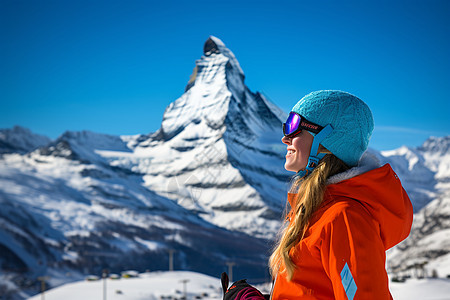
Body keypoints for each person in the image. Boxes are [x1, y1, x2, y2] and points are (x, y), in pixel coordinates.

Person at [222, 90, 413, 300]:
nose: (286, 137)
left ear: (326, 139)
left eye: (295, 126)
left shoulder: (345, 218)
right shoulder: (318, 211)